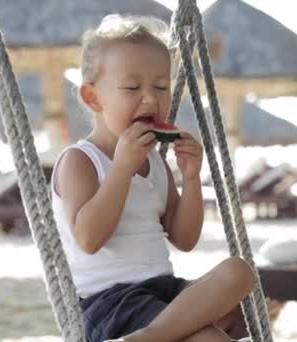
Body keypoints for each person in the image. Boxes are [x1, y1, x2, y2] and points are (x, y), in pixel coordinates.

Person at [51, 15, 254, 342]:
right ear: (93, 98)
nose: (150, 98)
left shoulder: (155, 163)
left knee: (239, 272)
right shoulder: (80, 160)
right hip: (110, 302)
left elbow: (184, 239)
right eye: (132, 88)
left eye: (161, 87)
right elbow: (88, 239)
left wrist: (190, 179)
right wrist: (121, 169)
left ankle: (151, 337)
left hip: (162, 292)